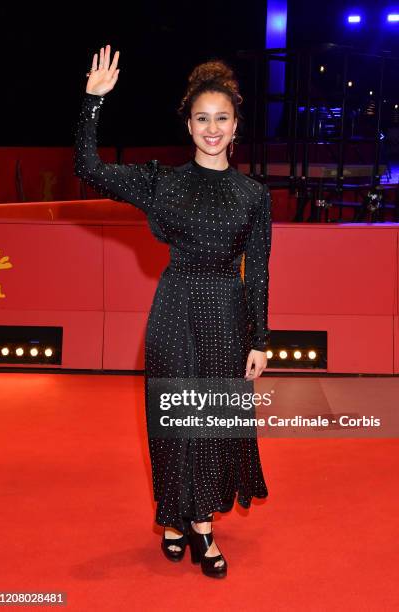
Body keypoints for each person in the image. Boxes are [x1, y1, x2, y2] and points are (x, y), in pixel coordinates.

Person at [74, 44, 272, 579]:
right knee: (172, 420)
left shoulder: (254, 194)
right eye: (202, 118)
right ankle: (172, 516)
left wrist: (260, 338)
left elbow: (258, 269)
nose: (212, 128)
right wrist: (93, 103)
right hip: (174, 308)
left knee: (211, 421)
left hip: (227, 315)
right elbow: (88, 168)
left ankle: (202, 524)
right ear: (188, 125)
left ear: (236, 125)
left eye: (222, 119)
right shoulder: (163, 181)